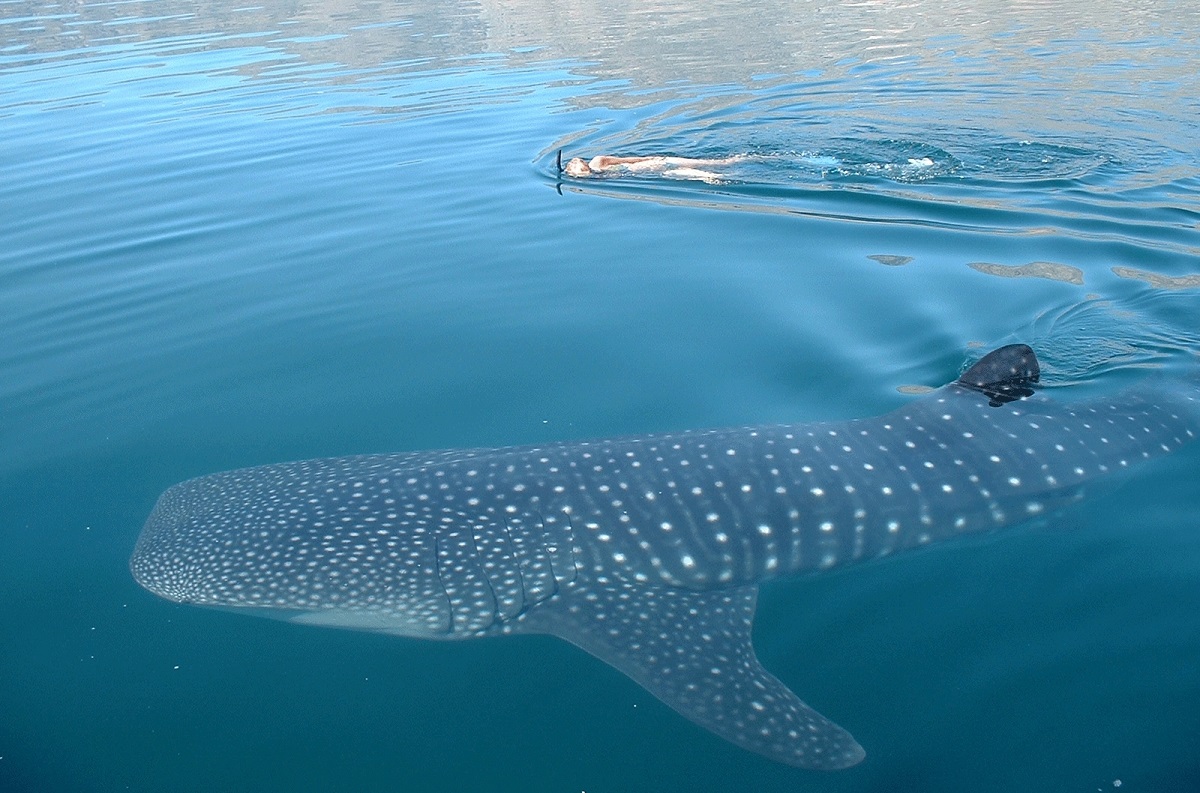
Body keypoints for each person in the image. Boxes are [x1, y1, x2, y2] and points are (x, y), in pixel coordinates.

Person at [561, 152, 746, 182]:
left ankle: (743, 160)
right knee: (711, 170)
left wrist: (653, 158)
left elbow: (632, 160)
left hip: (659, 165)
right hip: (661, 167)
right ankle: (714, 175)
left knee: (720, 165)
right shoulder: (598, 173)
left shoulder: (599, 163)